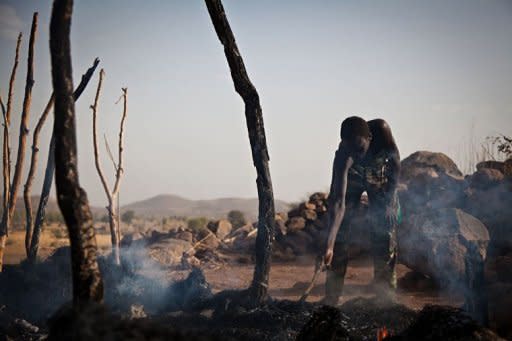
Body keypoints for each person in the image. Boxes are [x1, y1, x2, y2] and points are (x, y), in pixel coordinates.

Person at [322, 116, 401, 305]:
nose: (356, 155)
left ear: (370, 138)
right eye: (351, 151)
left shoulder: (382, 130)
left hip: (378, 175)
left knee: (384, 231)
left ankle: (386, 297)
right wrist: (330, 245)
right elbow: (339, 203)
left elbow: (396, 162)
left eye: (360, 149)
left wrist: (389, 201)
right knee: (339, 234)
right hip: (354, 177)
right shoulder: (343, 157)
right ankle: (332, 300)